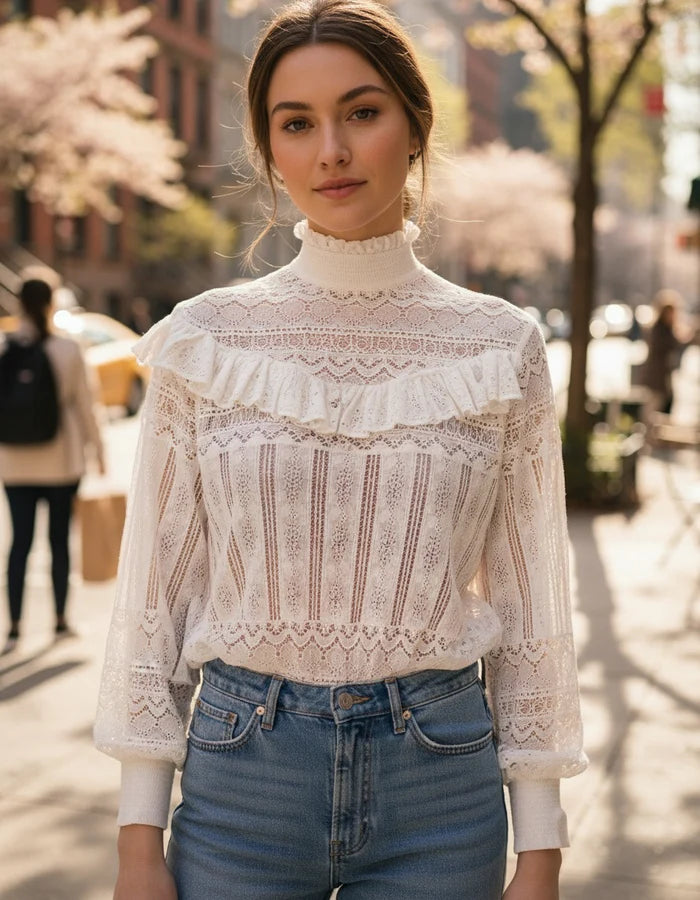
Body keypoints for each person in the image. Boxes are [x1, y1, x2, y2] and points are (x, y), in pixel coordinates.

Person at [94, 2, 587, 898]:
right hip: (241, 778)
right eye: (297, 123)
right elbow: (156, 597)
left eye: (361, 112)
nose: (331, 150)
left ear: (415, 127)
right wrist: (137, 839)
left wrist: (541, 848)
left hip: (443, 779)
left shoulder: (499, 344)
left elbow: (530, 603)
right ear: (270, 150)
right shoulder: (203, 340)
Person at [0, 274, 105, 651]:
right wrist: (100, 452)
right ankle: (60, 621)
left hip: (13, 462)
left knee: (20, 543)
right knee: (59, 541)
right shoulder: (67, 348)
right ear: (51, 302)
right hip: (62, 460)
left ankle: (13, 627)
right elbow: (85, 405)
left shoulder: (4, 346)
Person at [642, 289, 695, 416]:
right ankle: (647, 432)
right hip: (657, 376)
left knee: (662, 405)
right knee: (654, 407)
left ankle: (651, 430)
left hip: (663, 375)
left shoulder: (666, 329)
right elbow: (673, 344)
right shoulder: (659, 329)